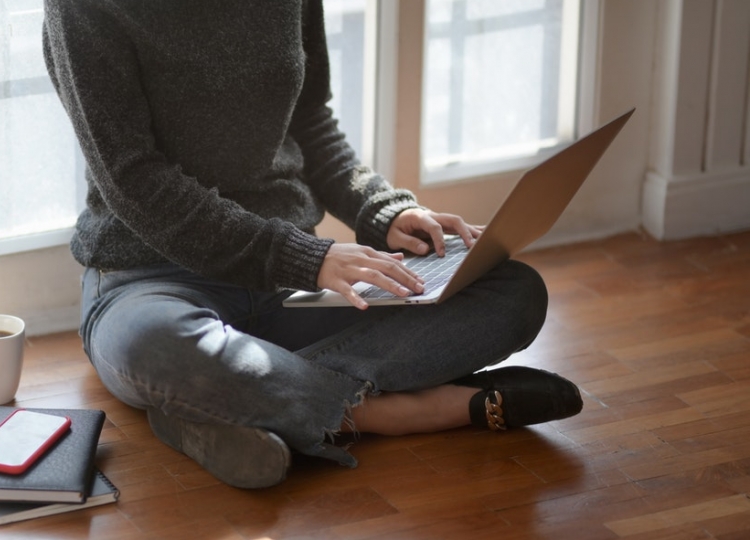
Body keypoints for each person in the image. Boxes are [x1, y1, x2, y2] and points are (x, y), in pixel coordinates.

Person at [41, 0, 583, 489]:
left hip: (288, 285)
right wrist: (306, 257)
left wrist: (381, 209)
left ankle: (232, 403)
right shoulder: (82, 8)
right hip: (151, 280)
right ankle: (391, 412)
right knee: (152, 347)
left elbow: (310, 120)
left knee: (512, 292)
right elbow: (135, 181)